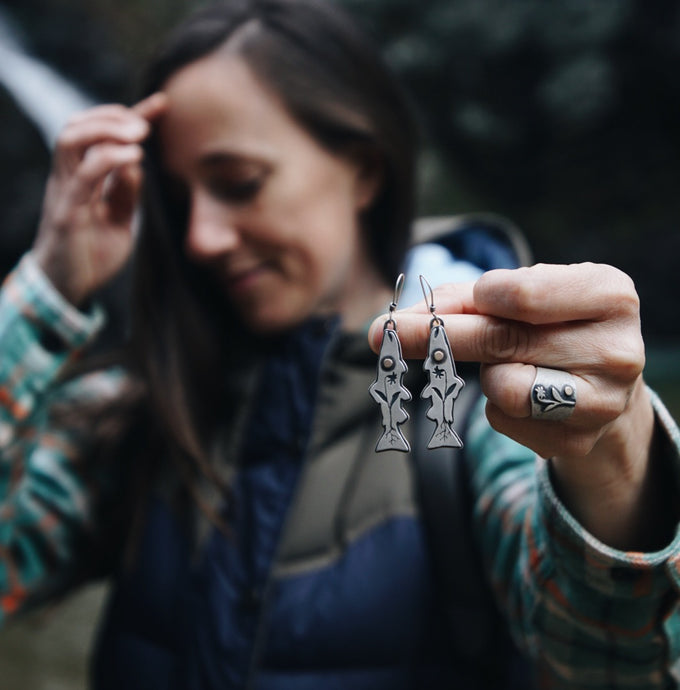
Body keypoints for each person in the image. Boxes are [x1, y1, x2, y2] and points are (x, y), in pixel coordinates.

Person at [1, 0, 679, 687]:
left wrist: (617, 461)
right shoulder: (141, 414)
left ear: (364, 169)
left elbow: (607, 660)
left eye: (239, 184)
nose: (200, 238)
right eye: (178, 202)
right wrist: (48, 288)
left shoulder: (472, 409)